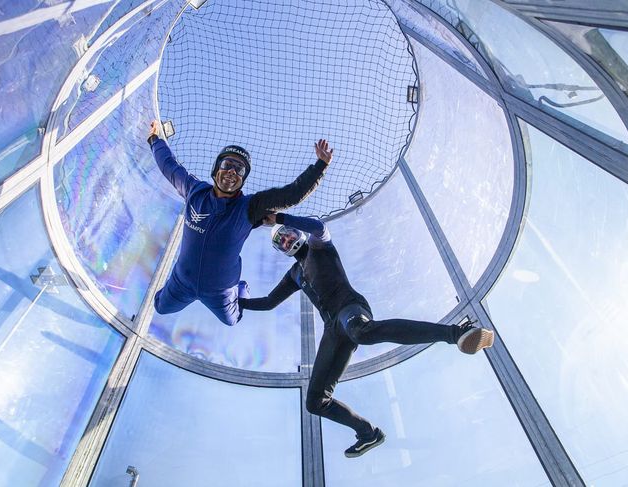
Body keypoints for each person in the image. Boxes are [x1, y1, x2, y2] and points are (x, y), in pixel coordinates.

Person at [239, 213, 495, 458]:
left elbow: (319, 227)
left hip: (350, 308)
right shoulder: (294, 274)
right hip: (333, 328)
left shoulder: (319, 246)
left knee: (361, 332)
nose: (286, 241)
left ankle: (457, 333)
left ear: (297, 233)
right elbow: (269, 302)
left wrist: (279, 218)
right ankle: (368, 433)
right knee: (315, 402)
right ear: (281, 250)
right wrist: (238, 302)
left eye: (287, 235)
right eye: (281, 242)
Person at [147, 120, 332, 326]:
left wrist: (320, 166)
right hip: (182, 282)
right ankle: (178, 279)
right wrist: (155, 139)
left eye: (240, 170)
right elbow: (169, 166)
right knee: (160, 306)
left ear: (243, 180)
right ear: (216, 169)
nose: (232, 172)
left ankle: (240, 287)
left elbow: (292, 194)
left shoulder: (250, 207)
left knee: (232, 320)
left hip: (221, 292)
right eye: (227, 165)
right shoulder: (194, 191)